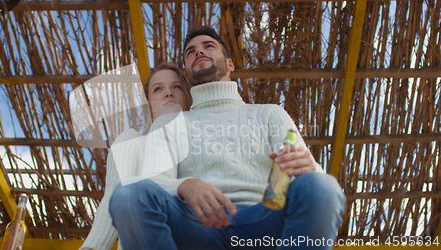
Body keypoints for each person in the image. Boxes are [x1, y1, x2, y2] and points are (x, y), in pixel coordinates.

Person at [109, 26, 346, 250]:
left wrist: (309, 168)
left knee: (320, 186)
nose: (199, 51)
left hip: (266, 220)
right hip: (197, 224)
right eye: (191, 52)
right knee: (129, 194)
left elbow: (301, 177)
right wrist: (184, 184)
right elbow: (154, 181)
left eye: (208, 46)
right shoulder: (171, 123)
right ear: (188, 77)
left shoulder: (269, 113)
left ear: (230, 64)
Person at [79, 62, 193, 250]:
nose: (168, 93)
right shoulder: (131, 141)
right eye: (158, 89)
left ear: (187, 97)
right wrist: (90, 248)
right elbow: (113, 195)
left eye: (177, 87)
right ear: (148, 103)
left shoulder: (203, 139)